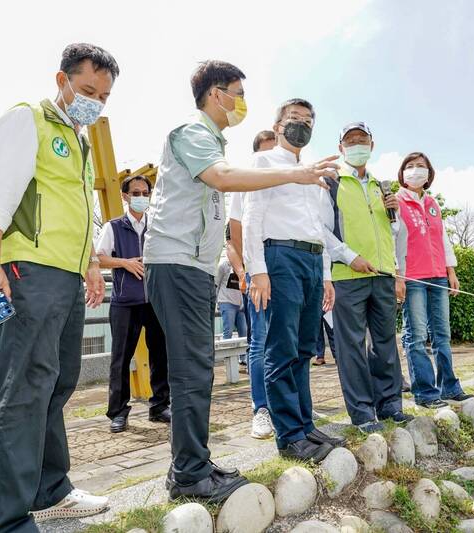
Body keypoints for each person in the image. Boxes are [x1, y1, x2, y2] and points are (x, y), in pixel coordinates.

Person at [142, 61, 338, 502]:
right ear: (216, 94)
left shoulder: (211, 139)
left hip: (191, 265)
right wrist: (294, 175)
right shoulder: (193, 132)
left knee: (198, 368)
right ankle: (190, 474)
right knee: (193, 371)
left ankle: (194, 464)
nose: (240, 102)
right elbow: (228, 186)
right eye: (237, 92)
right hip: (176, 262)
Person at [0, 43, 117, 530]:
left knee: (57, 382)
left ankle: (53, 489)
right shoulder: (28, 118)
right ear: (62, 80)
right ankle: (4, 519)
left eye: (105, 95)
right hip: (30, 271)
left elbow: (74, 209)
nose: (95, 101)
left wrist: (91, 263)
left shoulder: (79, 137)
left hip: (68, 275)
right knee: (25, 389)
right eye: (88, 89)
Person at [243, 98, 344, 462]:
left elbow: (319, 226)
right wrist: (258, 270)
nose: (300, 124)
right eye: (293, 118)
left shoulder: (313, 170)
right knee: (281, 347)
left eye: (307, 120)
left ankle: (305, 425)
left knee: (304, 347)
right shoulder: (264, 161)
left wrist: (327, 275)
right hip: (280, 256)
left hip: (312, 260)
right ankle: (288, 435)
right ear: (278, 124)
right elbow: (253, 216)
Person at [321, 122, 412, 433]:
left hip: (383, 274)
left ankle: (390, 406)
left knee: (386, 343)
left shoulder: (381, 187)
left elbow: (394, 233)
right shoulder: (331, 182)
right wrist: (350, 257)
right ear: (341, 147)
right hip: (348, 275)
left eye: (362, 139)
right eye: (350, 140)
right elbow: (321, 229)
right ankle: (362, 413)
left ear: (372, 145)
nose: (357, 144)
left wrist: (395, 215)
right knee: (352, 346)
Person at [396, 152, 472, 408]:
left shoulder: (432, 203)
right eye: (410, 166)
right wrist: (399, 275)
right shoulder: (396, 201)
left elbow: (443, 239)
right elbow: (394, 240)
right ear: (402, 172)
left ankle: (450, 387)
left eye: (421, 166)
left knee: (442, 335)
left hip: (438, 275)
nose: (416, 170)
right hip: (413, 276)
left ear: (429, 174)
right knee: (416, 335)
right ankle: (426, 392)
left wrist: (451, 271)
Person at [95, 174, 170, 434]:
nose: (140, 197)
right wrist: (125, 262)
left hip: (156, 301)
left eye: (144, 193)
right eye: (135, 193)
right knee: (121, 359)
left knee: (161, 355)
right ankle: (118, 412)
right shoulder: (112, 227)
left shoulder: (158, 226)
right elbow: (99, 258)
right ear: (125, 196)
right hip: (125, 302)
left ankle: (160, 406)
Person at [225, 130, 275, 440]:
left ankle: (289, 404)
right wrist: (245, 272)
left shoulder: (289, 181)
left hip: (286, 272)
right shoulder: (242, 184)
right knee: (259, 342)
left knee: (288, 342)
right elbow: (233, 237)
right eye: (266, 154)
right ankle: (261, 408)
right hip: (257, 274)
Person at [215, 257, 247, 343]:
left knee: (244, 333)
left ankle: (243, 356)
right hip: (226, 302)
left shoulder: (245, 264)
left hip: (241, 304)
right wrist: (216, 303)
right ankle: (226, 356)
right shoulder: (223, 264)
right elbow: (216, 284)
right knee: (228, 332)